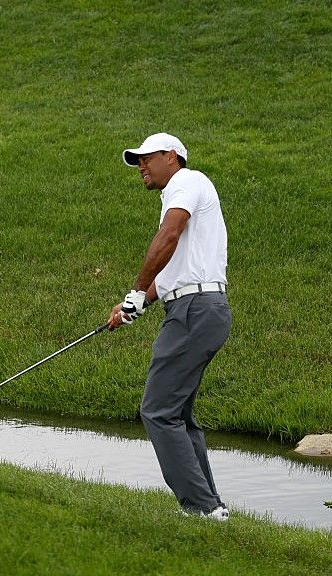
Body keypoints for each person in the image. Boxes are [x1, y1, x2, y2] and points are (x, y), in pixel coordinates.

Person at [106, 132, 232, 520]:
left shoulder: (187, 182)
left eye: (146, 158)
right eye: (137, 160)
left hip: (195, 310)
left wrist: (135, 289)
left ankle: (200, 508)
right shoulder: (179, 193)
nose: (140, 166)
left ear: (171, 156)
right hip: (198, 308)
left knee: (158, 411)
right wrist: (137, 304)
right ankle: (211, 505)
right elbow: (173, 271)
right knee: (177, 414)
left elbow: (168, 235)